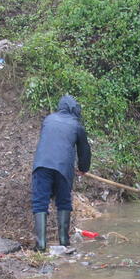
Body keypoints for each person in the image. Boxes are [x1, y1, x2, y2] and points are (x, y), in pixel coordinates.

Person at [31, 94, 91, 251]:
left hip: (42, 165)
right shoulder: (76, 125)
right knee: (63, 201)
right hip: (63, 167)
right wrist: (83, 168)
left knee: (40, 202)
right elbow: (84, 151)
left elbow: (49, 141)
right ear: (74, 109)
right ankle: (64, 241)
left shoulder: (48, 120)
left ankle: (41, 244)